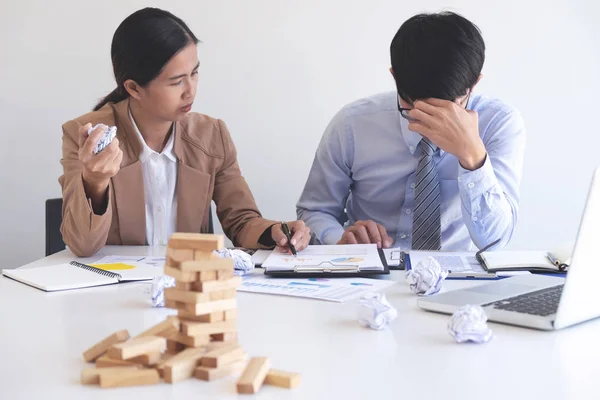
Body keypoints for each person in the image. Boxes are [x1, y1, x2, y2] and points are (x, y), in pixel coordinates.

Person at [59, 7, 310, 257]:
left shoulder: (212, 135)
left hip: (189, 286)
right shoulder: (87, 136)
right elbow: (83, 246)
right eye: (177, 81)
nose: (191, 90)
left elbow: (241, 221)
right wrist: (94, 181)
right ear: (134, 88)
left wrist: (276, 231)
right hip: (112, 289)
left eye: (195, 73)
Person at [297, 11, 526, 251]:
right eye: (413, 108)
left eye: (448, 109)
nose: (430, 122)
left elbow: (494, 241)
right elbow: (315, 210)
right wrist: (340, 240)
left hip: (458, 278)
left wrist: (473, 157)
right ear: (394, 77)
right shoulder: (352, 123)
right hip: (369, 273)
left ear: (474, 85)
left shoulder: (499, 124)